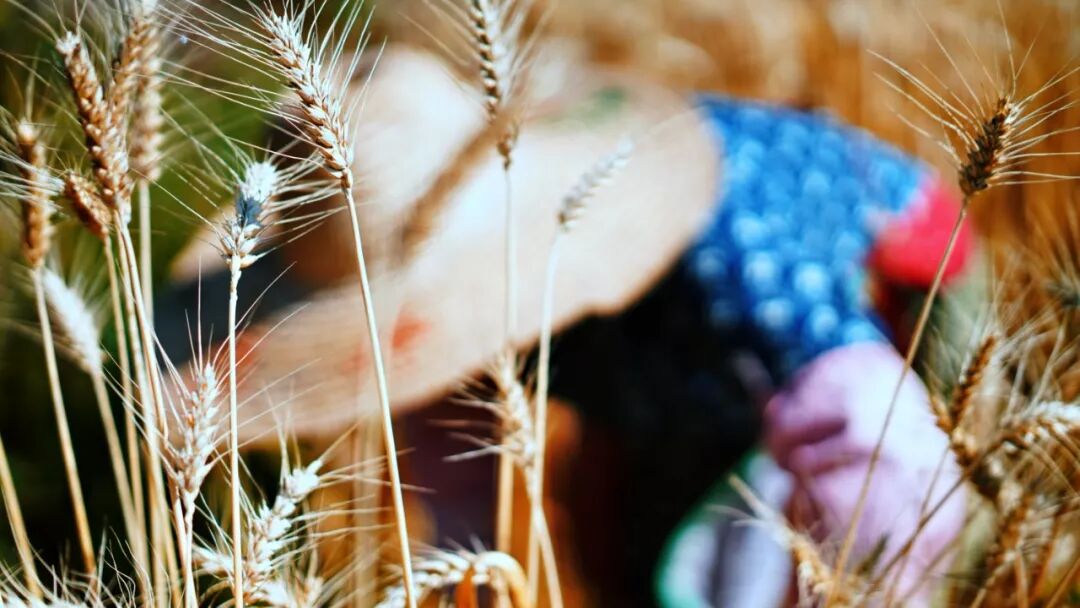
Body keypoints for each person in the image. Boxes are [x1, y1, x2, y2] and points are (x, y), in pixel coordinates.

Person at [168, 43, 972, 606]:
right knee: (621, 550)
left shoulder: (735, 266)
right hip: (660, 378)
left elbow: (893, 465)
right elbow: (460, 510)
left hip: (900, 307)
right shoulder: (430, 331)